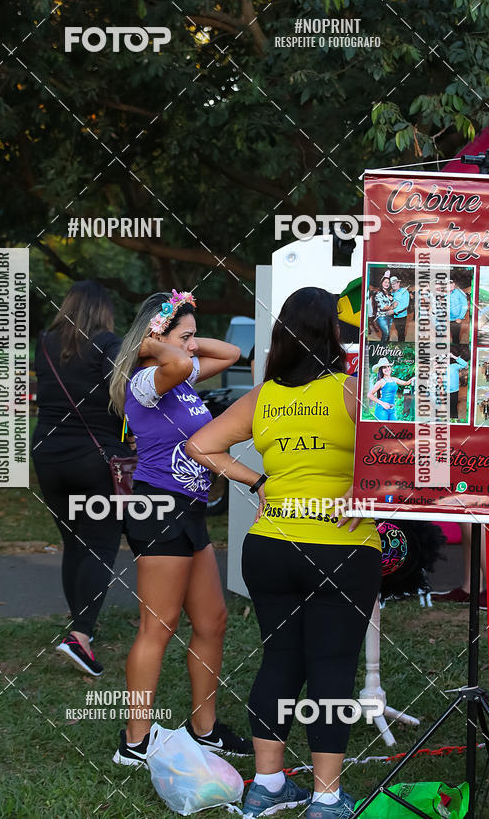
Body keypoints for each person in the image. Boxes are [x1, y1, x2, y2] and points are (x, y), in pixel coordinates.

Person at [186, 287, 382, 819]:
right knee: (332, 668)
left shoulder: (264, 396)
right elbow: (406, 445)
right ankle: (326, 798)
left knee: (280, 660)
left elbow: (199, 446)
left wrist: (259, 481)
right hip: (340, 547)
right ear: (334, 334)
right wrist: (364, 487)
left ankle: (268, 786)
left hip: (270, 547)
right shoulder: (353, 389)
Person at [108, 290, 252, 767]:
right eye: (186, 336)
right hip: (158, 509)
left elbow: (231, 353)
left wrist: (181, 336)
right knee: (159, 626)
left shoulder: (182, 375)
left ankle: (204, 729)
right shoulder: (147, 379)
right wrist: (152, 344)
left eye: (194, 337)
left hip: (189, 510)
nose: (193, 346)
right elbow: (176, 361)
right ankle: (135, 742)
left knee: (212, 621)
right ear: (156, 338)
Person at [32, 280, 133, 677]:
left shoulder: (45, 342)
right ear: (103, 311)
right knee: (101, 544)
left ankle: (79, 625)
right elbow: (125, 399)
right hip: (95, 458)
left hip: (48, 455)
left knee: (73, 542)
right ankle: (81, 636)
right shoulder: (109, 344)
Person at [367, 357, 413, 422]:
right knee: (383, 427)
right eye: (384, 367)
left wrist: (414, 378)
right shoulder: (381, 382)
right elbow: (369, 395)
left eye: (388, 366)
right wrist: (383, 403)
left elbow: (407, 383)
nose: (387, 369)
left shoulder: (394, 379)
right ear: (381, 370)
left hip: (392, 409)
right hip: (382, 409)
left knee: (394, 426)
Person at [372, 273, 393, 343]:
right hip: (382, 317)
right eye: (385, 282)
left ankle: (386, 347)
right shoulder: (378, 293)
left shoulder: (389, 293)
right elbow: (382, 307)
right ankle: (381, 347)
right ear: (381, 283)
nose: (387, 284)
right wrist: (393, 307)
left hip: (390, 316)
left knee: (387, 334)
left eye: (388, 283)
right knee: (385, 334)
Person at [390, 275, 410, 342]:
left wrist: (394, 311)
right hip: (394, 316)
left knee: (401, 332)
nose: (393, 285)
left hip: (402, 316)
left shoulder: (404, 291)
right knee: (398, 330)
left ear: (398, 283)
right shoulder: (392, 293)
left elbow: (405, 305)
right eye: (392, 284)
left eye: (395, 283)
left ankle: (401, 345)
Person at [448, 279, 469, 344]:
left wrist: (460, 317)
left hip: (456, 319)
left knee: (455, 337)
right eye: (449, 283)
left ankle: (456, 347)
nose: (452, 285)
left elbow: (465, 305)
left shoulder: (458, 292)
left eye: (452, 283)